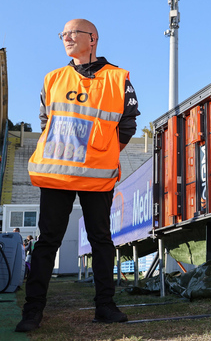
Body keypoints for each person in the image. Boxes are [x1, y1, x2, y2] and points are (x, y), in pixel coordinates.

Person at [16, 19, 140, 332]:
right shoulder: (52, 79)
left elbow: (128, 124)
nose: (67, 38)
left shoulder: (118, 78)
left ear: (92, 38)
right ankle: (33, 312)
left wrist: (104, 152)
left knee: (101, 241)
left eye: (73, 33)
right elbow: (46, 123)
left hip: (97, 176)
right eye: (63, 34)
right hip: (57, 175)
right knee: (47, 242)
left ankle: (105, 307)